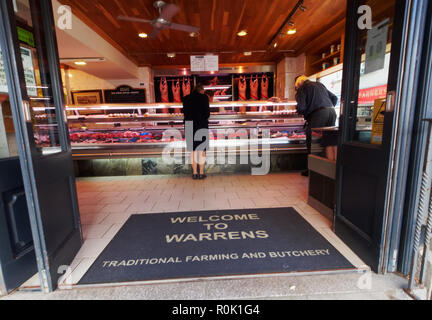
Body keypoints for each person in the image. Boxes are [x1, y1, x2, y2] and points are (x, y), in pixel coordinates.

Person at [295, 75, 338, 176]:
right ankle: (328, 169)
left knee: (313, 141)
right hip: (331, 112)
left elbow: (301, 107)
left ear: (298, 84)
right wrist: (326, 107)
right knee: (327, 141)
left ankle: (312, 170)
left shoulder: (302, 87)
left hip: (319, 115)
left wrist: (301, 111)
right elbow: (334, 98)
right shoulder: (319, 84)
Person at [182, 83, 210, 180]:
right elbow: (207, 114)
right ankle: (201, 173)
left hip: (189, 125)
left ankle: (194, 173)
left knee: (193, 150)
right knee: (202, 150)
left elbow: (185, 112)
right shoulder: (204, 98)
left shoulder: (186, 98)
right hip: (201, 125)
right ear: (201, 90)